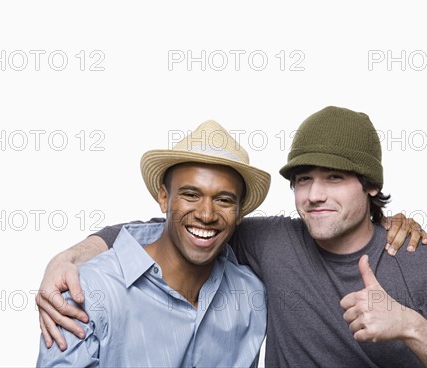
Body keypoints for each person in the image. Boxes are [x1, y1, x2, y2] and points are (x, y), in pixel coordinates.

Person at [39, 107, 427, 367]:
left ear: (372, 186)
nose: (314, 195)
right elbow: (183, 227)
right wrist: (73, 254)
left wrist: (412, 326)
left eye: (334, 179)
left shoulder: (425, 261)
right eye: (303, 179)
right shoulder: (271, 243)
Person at [36, 120, 271, 367]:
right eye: (191, 195)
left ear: (240, 212)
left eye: (224, 200)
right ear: (163, 198)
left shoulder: (251, 296)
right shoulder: (88, 292)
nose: (206, 214)